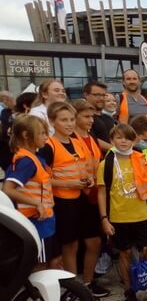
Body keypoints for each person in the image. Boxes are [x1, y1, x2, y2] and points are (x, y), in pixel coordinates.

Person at [97, 124, 147, 301]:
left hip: (141, 215)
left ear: (134, 140)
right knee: (125, 254)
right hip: (118, 218)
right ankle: (129, 290)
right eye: (118, 137)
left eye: (127, 138)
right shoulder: (106, 164)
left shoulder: (141, 159)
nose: (123, 141)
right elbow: (101, 193)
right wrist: (104, 219)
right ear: (112, 141)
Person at [38, 102, 94, 281]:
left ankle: (77, 285)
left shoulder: (77, 142)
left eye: (71, 119)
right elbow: (42, 179)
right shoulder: (48, 146)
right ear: (53, 122)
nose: (69, 124)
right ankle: (69, 285)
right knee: (67, 246)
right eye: (64, 120)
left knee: (76, 244)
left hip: (79, 199)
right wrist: (70, 183)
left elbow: (84, 166)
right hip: (61, 201)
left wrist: (89, 179)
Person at [2, 116, 58, 268]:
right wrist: (37, 203)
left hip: (43, 219)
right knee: (40, 264)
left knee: (49, 261)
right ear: (26, 135)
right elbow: (8, 188)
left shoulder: (34, 158)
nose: (46, 137)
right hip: (35, 220)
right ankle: (38, 292)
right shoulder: (26, 161)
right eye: (42, 133)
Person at [71, 99, 110, 297]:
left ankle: (87, 282)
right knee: (73, 244)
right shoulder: (70, 138)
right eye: (86, 116)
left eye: (92, 116)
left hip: (94, 195)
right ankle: (75, 287)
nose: (91, 120)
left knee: (94, 242)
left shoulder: (90, 135)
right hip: (77, 196)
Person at [82, 81, 115, 152]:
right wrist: (116, 149)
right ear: (86, 95)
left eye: (103, 95)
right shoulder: (81, 117)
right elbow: (91, 139)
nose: (101, 98)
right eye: (97, 95)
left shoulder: (108, 118)